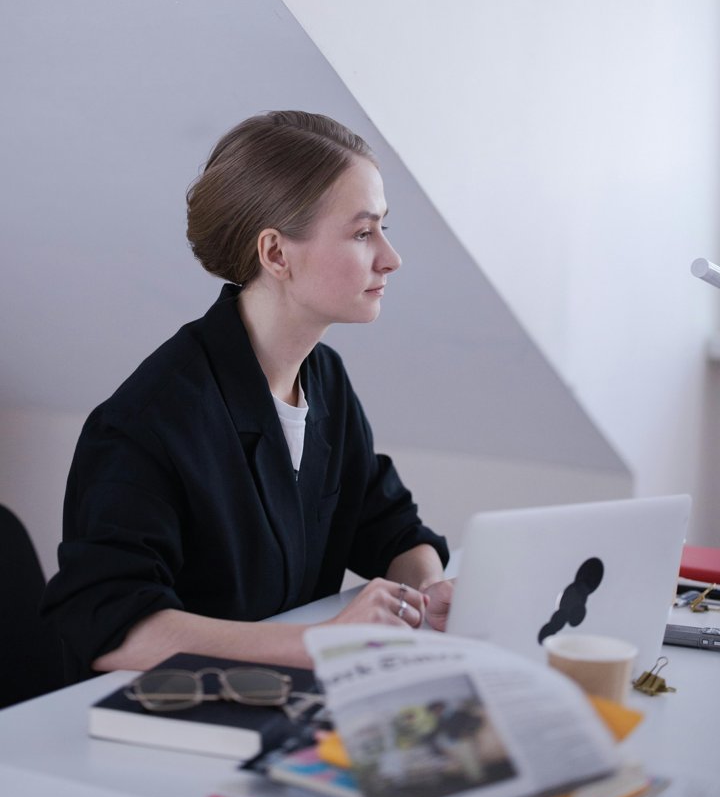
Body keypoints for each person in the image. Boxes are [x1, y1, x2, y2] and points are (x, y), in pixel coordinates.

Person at [42, 111, 453, 690]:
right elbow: (115, 628)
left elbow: (391, 527)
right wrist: (320, 642)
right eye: (363, 233)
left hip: (286, 702)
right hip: (172, 723)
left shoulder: (324, 378)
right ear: (277, 254)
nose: (391, 257)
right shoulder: (145, 422)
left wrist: (428, 595)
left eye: (384, 228)